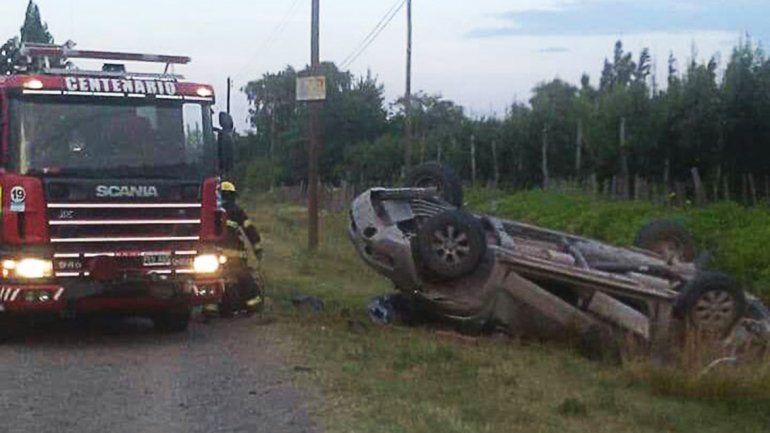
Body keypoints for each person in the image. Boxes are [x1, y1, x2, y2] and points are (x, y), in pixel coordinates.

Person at [217, 181, 264, 316]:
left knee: (211, 280)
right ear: (233, 195)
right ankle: (252, 306)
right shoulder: (237, 211)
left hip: (214, 257)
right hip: (236, 258)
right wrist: (258, 250)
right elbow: (250, 231)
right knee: (245, 280)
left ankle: (211, 308)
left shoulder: (211, 210)